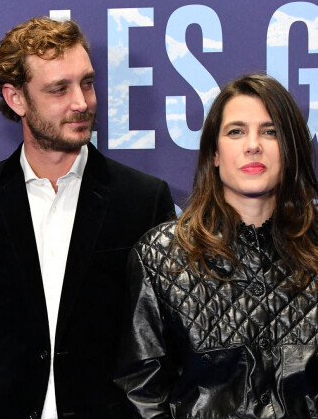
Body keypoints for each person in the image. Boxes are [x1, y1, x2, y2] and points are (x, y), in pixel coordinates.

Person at [0, 16, 175, 418]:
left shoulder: (142, 200)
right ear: (16, 98)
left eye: (87, 83)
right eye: (59, 89)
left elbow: (163, 344)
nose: (82, 102)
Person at [115, 73, 318, 418]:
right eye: (236, 131)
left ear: (291, 149)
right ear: (214, 153)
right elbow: (141, 393)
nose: (253, 145)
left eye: (270, 132)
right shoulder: (160, 256)